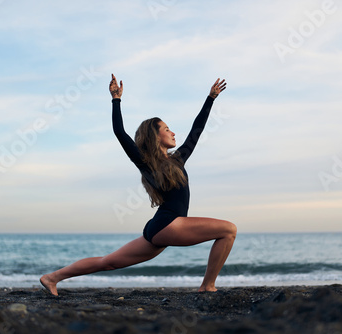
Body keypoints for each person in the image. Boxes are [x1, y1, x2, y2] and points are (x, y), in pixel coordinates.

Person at [40, 74, 236, 295]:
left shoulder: (178, 159)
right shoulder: (146, 162)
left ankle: (52, 277)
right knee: (228, 230)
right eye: (167, 129)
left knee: (108, 262)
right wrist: (116, 100)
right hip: (168, 224)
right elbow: (120, 133)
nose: (173, 132)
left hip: (158, 228)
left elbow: (196, 131)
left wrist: (210, 98)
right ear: (155, 136)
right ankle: (207, 286)